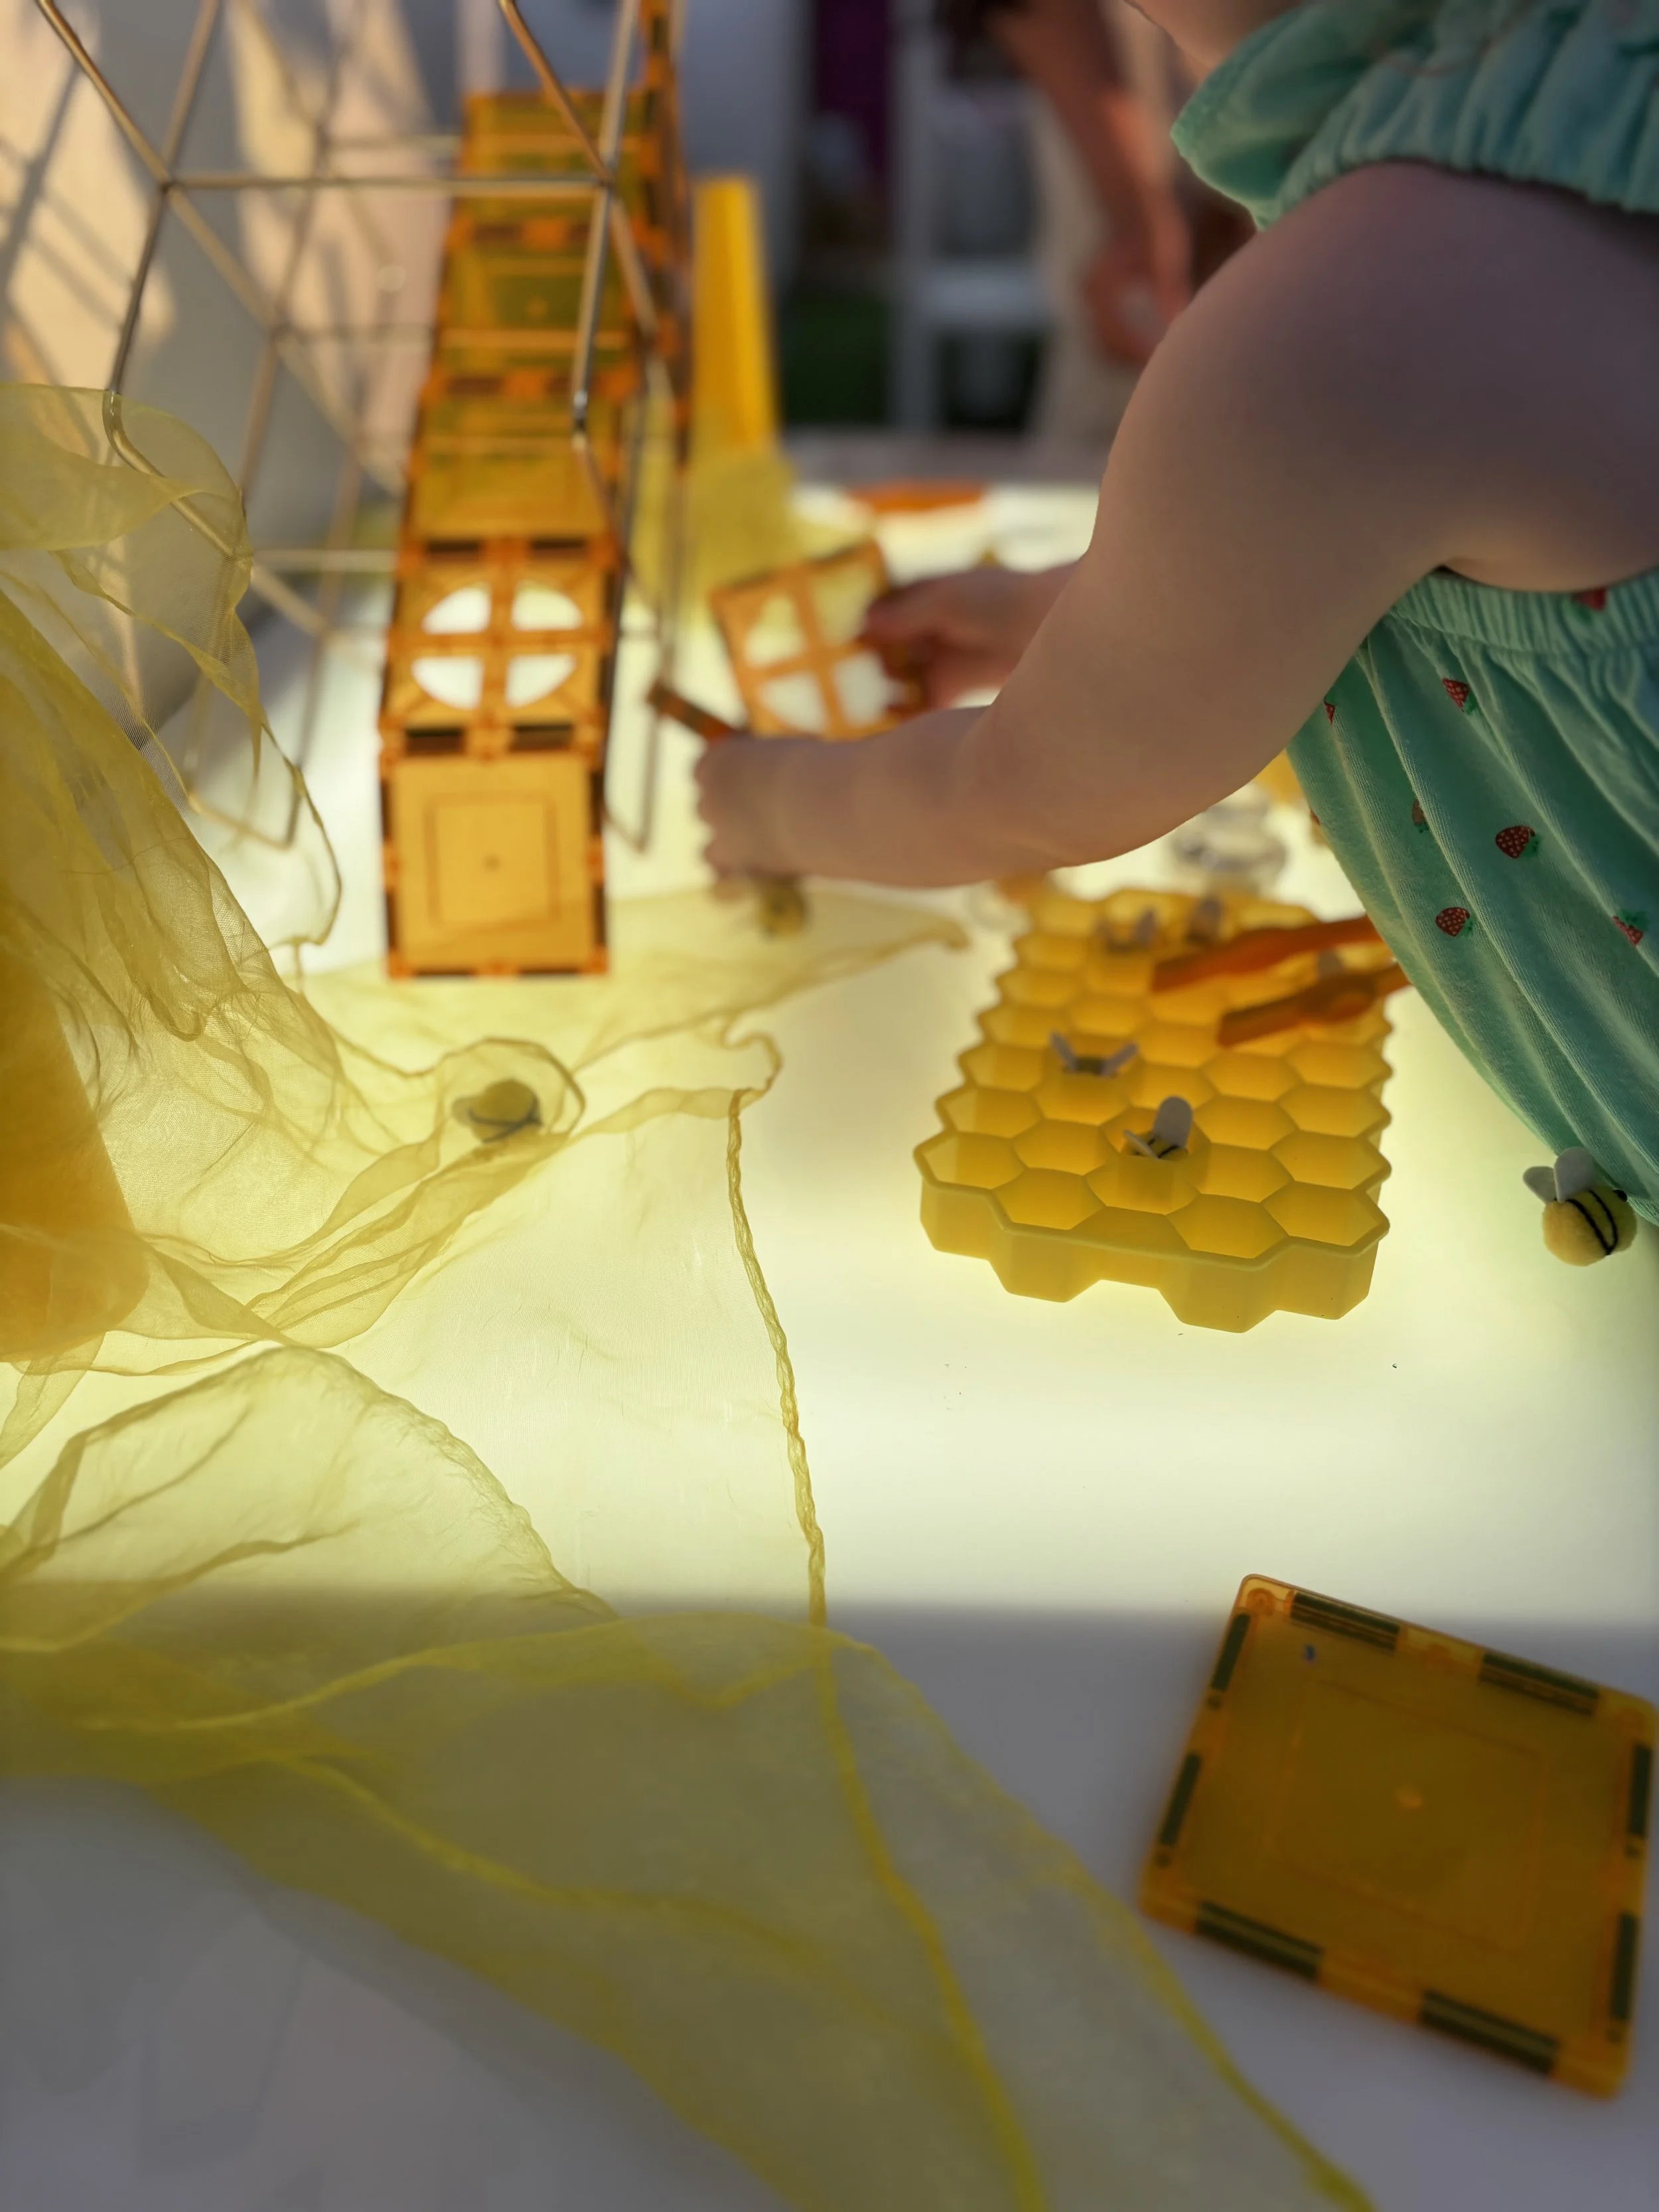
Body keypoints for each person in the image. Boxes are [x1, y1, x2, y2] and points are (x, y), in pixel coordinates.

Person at [698, 0, 1659, 1221]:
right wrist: (1051, 614)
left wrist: (769, 800)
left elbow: (1025, 790)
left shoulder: (1354, 309)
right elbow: (1351, 548)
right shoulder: (1594, 121)